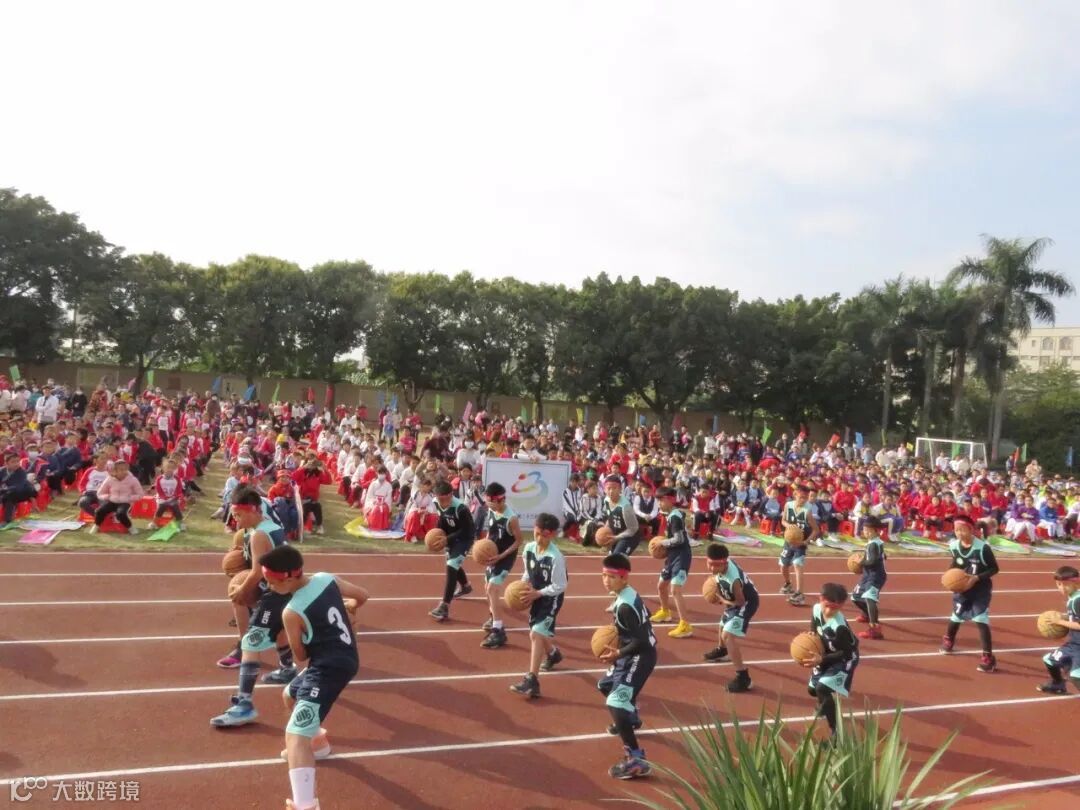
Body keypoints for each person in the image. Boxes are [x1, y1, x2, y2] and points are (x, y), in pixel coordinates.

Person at [268, 545, 368, 810]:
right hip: (345, 656)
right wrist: (350, 607)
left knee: (295, 734)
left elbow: (300, 655)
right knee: (290, 694)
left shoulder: (292, 611)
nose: (268, 586)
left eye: (271, 581)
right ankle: (318, 744)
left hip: (328, 667)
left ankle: (305, 805)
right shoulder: (325, 578)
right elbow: (362, 595)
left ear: (287, 578)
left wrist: (302, 633)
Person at [212, 487, 291, 677]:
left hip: (276, 594)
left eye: (238, 515)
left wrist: (242, 592)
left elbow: (256, 573)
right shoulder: (272, 527)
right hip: (283, 586)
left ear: (253, 510)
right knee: (279, 630)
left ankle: (244, 656)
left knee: (253, 638)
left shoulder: (258, 535)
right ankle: (287, 667)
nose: (236, 519)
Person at [598, 552, 656, 779]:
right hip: (629, 653)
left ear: (624, 578)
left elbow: (641, 642)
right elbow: (646, 613)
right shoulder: (628, 595)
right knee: (605, 685)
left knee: (615, 703)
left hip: (639, 657)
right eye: (604, 576)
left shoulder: (624, 607)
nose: (606, 581)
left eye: (612, 577)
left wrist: (618, 653)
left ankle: (636, 760)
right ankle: (631, 718)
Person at [509, 513, 568, 698]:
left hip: (551, 599)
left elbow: (560, 585)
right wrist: (521, 586)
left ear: (552, 535)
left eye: (544, 535)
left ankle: (532, 681)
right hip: (536, 595)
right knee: (537, 633)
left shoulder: (556, 557)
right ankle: (553, 654)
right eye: (536, 533)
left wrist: (538, 593)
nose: (539, 538)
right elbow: (528, 572)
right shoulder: (528, 549)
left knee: (535, 633)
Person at [940, 514, 999, 673]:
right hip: (963, 587)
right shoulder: (954, 546)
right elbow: (955, 563)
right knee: (956, 616)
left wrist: (976, 578)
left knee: (980, 619)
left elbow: (994, 569)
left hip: (980, 589)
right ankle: (949, 640)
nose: (959, 533)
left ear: (971, 530)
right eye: (956, 530)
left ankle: (988, 657)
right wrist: (948, 576)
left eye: (962, 530)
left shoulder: (983, 548)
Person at [803, 582, 860, 739]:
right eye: (827, 606)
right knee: (812, 690)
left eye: (835, 608)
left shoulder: (839, 627)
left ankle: (836, 731)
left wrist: (821, 659)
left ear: (841, 606)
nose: (829, 611)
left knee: (822, 689)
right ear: (821, 599)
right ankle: (824, 704)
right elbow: (814, 622)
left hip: (844, 658)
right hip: (827, 653)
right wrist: (811, 634)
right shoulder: (816, 609)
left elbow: (845, 653)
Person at [702, 542, 758, 692]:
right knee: (722, 624)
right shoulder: (721, 567)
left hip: (746, 603)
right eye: (709, 564)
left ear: (724, 563)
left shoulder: (734, 580)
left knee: (728, 635)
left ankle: (743, 678)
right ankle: (723, 650)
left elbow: (740, 602)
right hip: (732, 599)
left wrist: (722, 600)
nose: (712, 568)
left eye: (716, 565)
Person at [479, 482, 522, 649]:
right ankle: (493, 617)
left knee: (492, 588)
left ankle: (498, 631)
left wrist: (500, 556)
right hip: (493, 555)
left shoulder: (511, 518)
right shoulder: (492, 510)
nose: (488, 505)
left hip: (505, 557)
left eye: (491, 502)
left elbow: (519, 541)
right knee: (486, 587)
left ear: (500, 500)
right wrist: (484, 547)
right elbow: (491, 532)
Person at [648, 486, 694, 638]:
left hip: (682, 556)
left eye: (661, 500)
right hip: (672, 556)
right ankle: (665, 612)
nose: (659, 503)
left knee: (675, 590)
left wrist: (662, 543)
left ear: (670, 500)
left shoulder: (674, 517)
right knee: (661, 586)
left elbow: (679, 539)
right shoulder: (672, 515)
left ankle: (685, 625)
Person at [428, 480, 476, 622]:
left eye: (445, 499)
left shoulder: (461, 508)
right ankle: (466, 587)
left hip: (464, 538)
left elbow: (467, 530)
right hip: (450, 537)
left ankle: (444, 606)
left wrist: (446, 539)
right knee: (453, 563)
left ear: (451, 495)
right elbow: (442, 519)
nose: (443, 502)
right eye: (440, 499)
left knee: (452, 565)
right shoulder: (436, 502)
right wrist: (437, 535)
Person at [1038, 566, 1080, 694]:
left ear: (1076, 582)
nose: (1062, 588)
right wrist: (1066, 619)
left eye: (1066, 584)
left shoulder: (1077, 600)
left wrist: (1059, 622)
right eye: (1059, 584)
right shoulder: (1072, 598)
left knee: (1075, 676)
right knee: (1049, 659)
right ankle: (1057, 684)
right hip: (1073, 644)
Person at [780, 485, 818, 606]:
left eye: (805, 498)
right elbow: (783, 521)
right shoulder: (788, 505)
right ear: (795, 494)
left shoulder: (807, 511)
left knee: (797, 565)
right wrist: (788, 526)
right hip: (789, 541)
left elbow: (816, 530)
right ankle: (788, 584)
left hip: (801, 543)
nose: (803, 500)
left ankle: (799, 594)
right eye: (801, 497)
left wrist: (806, 541)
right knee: (783, 565)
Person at [851, 517, 887, 640]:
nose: (865, 532)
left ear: (875, 530)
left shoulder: (873, 544)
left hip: (875, 576)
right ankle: (867, 615)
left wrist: (860, 562)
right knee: (855, 596)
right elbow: (882, 556)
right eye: (864, 529)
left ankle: (875, 628)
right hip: (867, 575)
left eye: (868, 530)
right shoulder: (875, 542)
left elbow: (872, 561)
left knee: (869, 598)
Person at [89, 460, 143, 535]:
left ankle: (130, 527)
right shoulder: (109, 479)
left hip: (125, 502)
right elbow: (100, 493)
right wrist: (107, 497)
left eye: (125, 469)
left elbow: (140, 494)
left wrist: (129, 498)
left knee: (120, 513)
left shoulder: (133, 480)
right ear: (115, 471)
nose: (124, 471)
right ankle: (96, 526)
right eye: (121, 470)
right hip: (112, 501)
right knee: (99, 511)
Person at [600, 475, 641, 556]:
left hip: (630, 536)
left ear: (620, 489)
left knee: (617, 559)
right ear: (604, 489)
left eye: (614, 488)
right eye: (609, 488)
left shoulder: (625, 507)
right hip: (616, 535)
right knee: (610, 559)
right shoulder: (606, 500)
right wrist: (605, 532)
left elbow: (633, 529)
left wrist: (616, 537)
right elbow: (610, 517)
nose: (611, 491)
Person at [0, 452, 35, 527]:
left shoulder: (21, 472)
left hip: (21, 493)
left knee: (10, 497)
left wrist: (4, 490)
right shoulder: (2, 471)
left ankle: (8, 520)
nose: (16, 464)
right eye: (13, 462)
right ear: (6, 463)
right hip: (6, 491)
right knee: (5, 496)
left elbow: (18, 487)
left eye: (17, 461)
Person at [150, 458, 185, 530]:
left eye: (172, 468)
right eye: (168, 467)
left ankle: (181, 523)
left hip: (173, 498)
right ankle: (154, 523)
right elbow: (158, 489)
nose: (170, 469)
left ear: (175, 469)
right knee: (161, 507)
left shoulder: (177, 479)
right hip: (162, 498)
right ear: (164, 468)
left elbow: (179, 490)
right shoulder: (159, 478)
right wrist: (164, 497)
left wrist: (175, 496)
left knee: (175, 507)